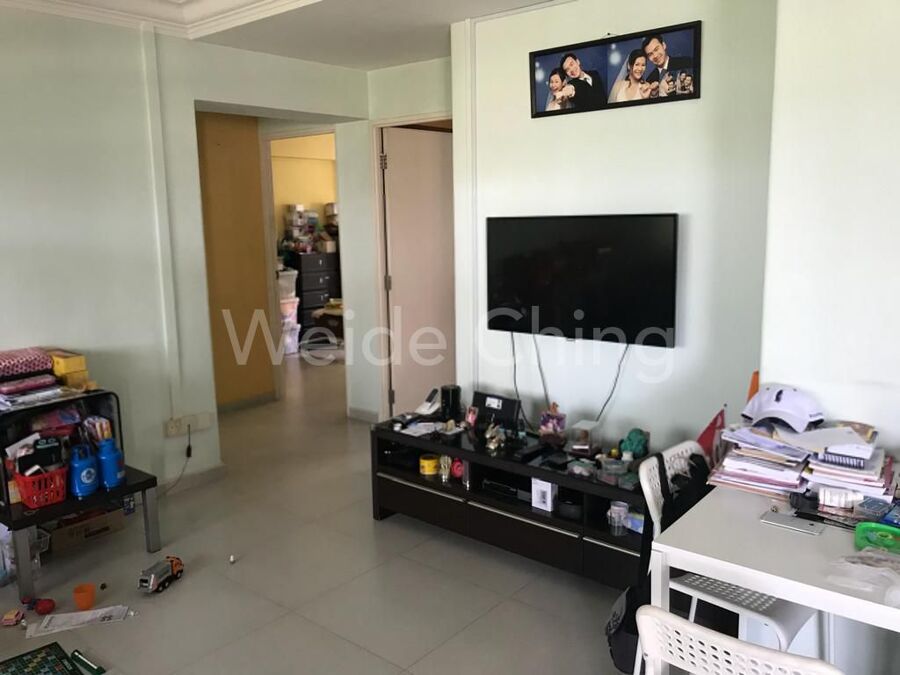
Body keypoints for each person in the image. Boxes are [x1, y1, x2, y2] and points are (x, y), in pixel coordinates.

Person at [641, 33, 693, 98]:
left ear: (664, 45)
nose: (655, 56)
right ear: (648, 58)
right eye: (650, 54)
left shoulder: (686, 62)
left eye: (656, 49)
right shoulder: (649, 80)